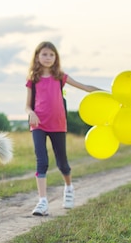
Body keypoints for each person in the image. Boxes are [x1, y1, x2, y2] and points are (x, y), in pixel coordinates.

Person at [25, 41, 101, 216]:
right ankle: (42, 202)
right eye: (44, 54)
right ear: (37, 56)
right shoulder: (32, 80)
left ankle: (68, 188)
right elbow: (27, 106)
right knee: (42, 161)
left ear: (56, 58)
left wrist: (108, 94)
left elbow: (86, 88)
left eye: (51, 55)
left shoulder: (60, 77)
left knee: (62, 163)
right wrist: (31, 113)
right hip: (38, 124)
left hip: (58, 124)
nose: (48, 58)